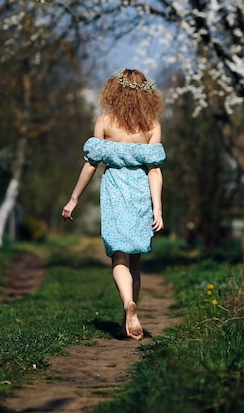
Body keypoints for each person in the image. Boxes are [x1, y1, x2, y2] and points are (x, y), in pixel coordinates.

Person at [62, 68, 166, 340]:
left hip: (114, 192)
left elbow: (90, 165)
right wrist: (158, 208)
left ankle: (126, 306)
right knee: (135, 260)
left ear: (115, 91)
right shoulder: (152, 125)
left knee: (118, 256)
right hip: (141, 192)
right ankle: (129, 316)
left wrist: (74, 199)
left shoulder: (105, 121)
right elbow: (155, 170)